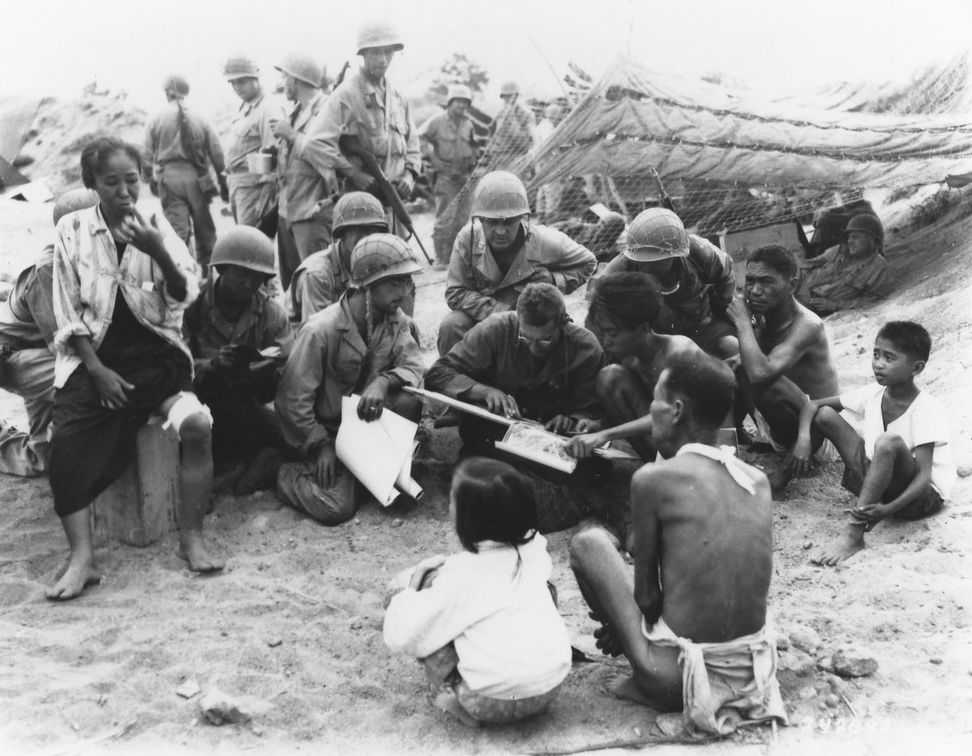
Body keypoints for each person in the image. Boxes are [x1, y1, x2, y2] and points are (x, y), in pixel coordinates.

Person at [568, 352, 787, 735]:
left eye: (655, 398)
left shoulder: (653, 479)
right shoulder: (756, 478)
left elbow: (648, 598)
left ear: (676, 410)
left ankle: (646, 680)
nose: (650, 408)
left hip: (682, 679)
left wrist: (620, 624)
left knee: (589, 543)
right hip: (753, 671)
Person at [47, 137, 221, 600]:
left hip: (156, 357)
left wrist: (158, 248)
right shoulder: (71, 230)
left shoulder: (158, 224)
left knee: (198, 424)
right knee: (63, 440)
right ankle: (82, 557)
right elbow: (67, 311)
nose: (125, 192)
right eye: (112, 182)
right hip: (96, 357)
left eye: (132, 180)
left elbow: (186, 295)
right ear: (92, 184)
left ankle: (192, 537)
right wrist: (97, 370)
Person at [384, 457, 571, 726]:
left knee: (429, 623)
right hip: (549, 689)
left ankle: (455, 702)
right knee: (544, 592)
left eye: (452, 501)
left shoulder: (461, 573)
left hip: (489, 701)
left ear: (468, 519)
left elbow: (403, 636)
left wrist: (412, 588)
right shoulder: (535, 550)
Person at [426, 284, 610, 533]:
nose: (533, 348)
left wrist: (573, 419)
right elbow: (438, 373)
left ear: (563, 324)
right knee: (477, 485)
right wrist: (486, 391)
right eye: (525, 339)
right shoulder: (496, 329)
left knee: (590, 475)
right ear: (518, 320)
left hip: (552, 442)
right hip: (497, 432)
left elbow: (592, 409)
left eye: (545, 340)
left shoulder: (585, 347)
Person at [275, 234, 424, 525]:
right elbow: (293, 402)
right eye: (395, 282)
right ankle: (282, 472)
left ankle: (364, 473)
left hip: (362, 427)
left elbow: (415, 367)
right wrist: (321, 445)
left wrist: (383, 382)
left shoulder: (397, 321)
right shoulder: (320, 331)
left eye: (407, 282)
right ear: (367, 284)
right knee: (336, 508)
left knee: (406, 400)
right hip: (323, 432)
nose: (405, 291)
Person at [793, 322, 955, 566]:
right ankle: (785, 477)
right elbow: (812, 405)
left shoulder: (926, 408)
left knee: (887, 442)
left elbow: (923, 476)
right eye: (876, 354)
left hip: (919, 498)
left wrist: (887, 510)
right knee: (826, 415)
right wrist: (803, 440)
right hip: (881, 485)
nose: (878, 363)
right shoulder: (873, 393)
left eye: (889, 358)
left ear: (917, 367)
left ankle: (853, 534)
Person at [439, 170, 597, 355]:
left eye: (508, 222)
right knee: (452, 325)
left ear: (522, 218)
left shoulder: (545, 241)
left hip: (532, 319)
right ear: (480, 219)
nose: (500, 231)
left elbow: (588, 262)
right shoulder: (468, 238)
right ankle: (454, 377)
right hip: (483, 317)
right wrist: (501, 313)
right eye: (492, 222)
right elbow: (455, 292)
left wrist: (554, 280)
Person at [184, 227, 291, 494]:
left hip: (250, 401)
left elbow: (288, 363)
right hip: (203, 402)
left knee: (293, 438)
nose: (249, 283)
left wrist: (262, 367)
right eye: (242, 273)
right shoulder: (191, 308)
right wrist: (210, 365)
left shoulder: (271, 313)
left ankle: (257, 462)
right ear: (221, 268)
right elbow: (174, 363)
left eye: (257, 277)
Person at [0, 188, 98, 476]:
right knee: (89, 385)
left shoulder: (87, 256)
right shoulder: (49, 270)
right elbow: (66, 345)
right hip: (13, 356)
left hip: (35, 349)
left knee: (44, 457)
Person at [727, 245, 840, 493]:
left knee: (763, 376)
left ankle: (784, 474)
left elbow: (760, 373)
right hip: (783, 426)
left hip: (816, 435)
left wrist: (743, 323)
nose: (756, 290)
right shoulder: (764, 315)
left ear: (792, 284)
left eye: (766, 282)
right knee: (732, 365)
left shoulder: (808, 325)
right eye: (751, 281)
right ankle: (739, 441)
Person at [566, 273, 704, 463]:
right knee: (610, 377)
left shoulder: (678, 352)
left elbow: (675, 414)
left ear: (642, 327)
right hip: (665, 437)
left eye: (612, 333)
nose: (606, 341)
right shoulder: (628, 356)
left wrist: (605, 434)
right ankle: (656, 465)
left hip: (698, 441)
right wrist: (598, 426)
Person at [318, 21, 421, 234]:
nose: (383, 60)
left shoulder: (399, 98)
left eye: (388, 52)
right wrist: (353, 173)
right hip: (360, 206)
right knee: (367, 258)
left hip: (394, 202)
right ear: (363, 54)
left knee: (399, 260)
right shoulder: (346, 94)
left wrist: (410, 176)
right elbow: (315, 142)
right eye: (375, 53)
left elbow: (413, 145)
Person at [596, 208, 737, 358]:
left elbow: (726, 276)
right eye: (641, 259)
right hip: (651, 340)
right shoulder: (617, 273)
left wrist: (720, 307)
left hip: (701, 327)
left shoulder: (700, 253)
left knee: (732, 346)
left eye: (655, 261)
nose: (646, 267)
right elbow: (598, 312)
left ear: (675, 255)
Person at [144, 75, 227, 269]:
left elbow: (146, 154)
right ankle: (210, 278)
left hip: (169, 178)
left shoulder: (156, 118)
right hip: (198, 179)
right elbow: (217, 153)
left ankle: (182, 277)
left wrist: (150, 180)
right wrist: (223, 184)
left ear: (167, 93)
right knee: (206, 233)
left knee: (177, 233)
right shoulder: (201, 116)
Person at [272, 53, 336, 290]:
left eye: (285, 76)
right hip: (289, 210)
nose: (282, 82)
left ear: (297, 79)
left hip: (313, 211)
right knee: (293, 288)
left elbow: (328, 158)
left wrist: (290, 135)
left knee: (316, 283)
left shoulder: (327, 109)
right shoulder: (295, 111)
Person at [289, 191, 389, 324]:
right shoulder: (317, 274)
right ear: (342, 234)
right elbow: (316, 334)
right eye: (358, 229)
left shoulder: (376, 262)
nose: (366, 237)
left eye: (373, 230)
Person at [222, 55, 283, 238]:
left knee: (253, 241)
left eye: (242, 81)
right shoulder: (245, 108)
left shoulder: (268, 108)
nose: (237, 87)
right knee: (245, 239)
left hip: (254, 187)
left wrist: (265, 198)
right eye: (233, 83)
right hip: (239, 185)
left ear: (255, 78)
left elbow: (272, 156)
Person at [418, 84, 478, 268]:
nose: (461, 106)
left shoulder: (469, 123)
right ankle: (441, 258)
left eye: (465, 103)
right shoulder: (436, 121)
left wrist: (474, 166)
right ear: (450, 103)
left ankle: (456, 256)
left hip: (465, 175)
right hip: (445, 176)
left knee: (462, 219)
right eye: (458, 102)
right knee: (445, 218)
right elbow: (420, 138)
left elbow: (474, 146)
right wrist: (433, 160)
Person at [798, 213, 892, 316]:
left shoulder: (878, 267)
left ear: (872, 239)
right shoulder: (840, 250)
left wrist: (835, 305)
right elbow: (810, 263)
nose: (850, 241)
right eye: (849, 238)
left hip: (816, 309)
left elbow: (874, 301)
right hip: (801, 291)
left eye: (855, 237)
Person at [486, 81, 534, 164]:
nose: (509, 99)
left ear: (517, 96)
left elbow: (529, 138)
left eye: (511, 96)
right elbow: (490, 133)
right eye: (506, 96)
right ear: (503, 97)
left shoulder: (524, 113)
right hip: (498, 155)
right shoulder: (498, 112)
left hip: (516, 155)